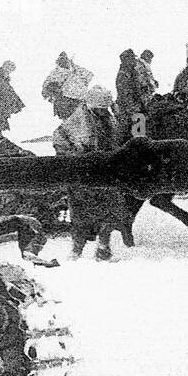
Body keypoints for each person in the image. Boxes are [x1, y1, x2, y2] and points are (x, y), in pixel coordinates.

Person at [53, 86, 130, 260]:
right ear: (92, 105)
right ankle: (76, 252)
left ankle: (103, 249)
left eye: (106, 108)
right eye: (101, 108)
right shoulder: (76, 121)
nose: (104, 111)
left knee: (111, 213)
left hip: (105, 173)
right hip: (83, 176)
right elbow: (60, 141)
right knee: (81, 218)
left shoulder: (108, 118)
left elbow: (116, 138)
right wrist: (75, 156)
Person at [115, 47, 156, 140]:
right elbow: (126, 97)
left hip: (136, 110)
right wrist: (139, 111)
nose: (135, 61)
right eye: (132, 59)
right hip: (130, 112)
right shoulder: (123, 75)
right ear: (126, 61)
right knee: (136, 138)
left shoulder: (133, 73)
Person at [41, 52, 93, 120]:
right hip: (65, 102)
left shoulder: (76, 70)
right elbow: (46, 91)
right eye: (61, 60)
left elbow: (89, 76)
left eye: (65, 60)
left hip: (76, 101)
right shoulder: (55, 74)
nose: (63, 62)